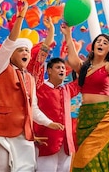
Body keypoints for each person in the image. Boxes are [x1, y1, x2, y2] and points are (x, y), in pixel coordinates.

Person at [0, 2, 64, 172]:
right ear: (10, 54)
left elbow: (32, 108)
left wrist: (49, 123)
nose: (26, 53)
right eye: (20, 50)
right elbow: (8, 44)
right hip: (0, 131)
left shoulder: (30, 79)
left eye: (27, 50)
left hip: (24, 134)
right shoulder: (0, 69)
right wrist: (21, 17)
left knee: (27, 168)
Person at [62, 20, 109, 172]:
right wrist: (68, 35)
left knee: (97, 156)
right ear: (94, 46)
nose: (101, 43)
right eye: (98, 41)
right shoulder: (84, 68)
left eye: (105, 43)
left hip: (105, 116)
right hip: (86, 116)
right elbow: (72, 59)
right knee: (83, 155)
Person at [28, 17, 80, 172]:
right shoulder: (38, 86)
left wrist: (68, 36)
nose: (62, 70)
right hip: (46, 143)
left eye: (63, 68)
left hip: (66, 145)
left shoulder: (67, 89)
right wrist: (50, 33)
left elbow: (81, 74)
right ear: (49, 70)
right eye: (58, 67)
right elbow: (39, 60)